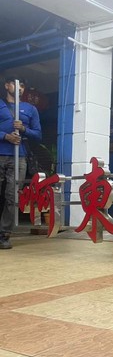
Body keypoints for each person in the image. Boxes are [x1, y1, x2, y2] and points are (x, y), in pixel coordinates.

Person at [0, 76, 42, 249]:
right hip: (0, 154)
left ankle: (4, 234)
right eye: (15, 84)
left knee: (12, 197)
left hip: (19, 157)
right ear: (7, 85)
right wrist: (5, 136)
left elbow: (38, 134)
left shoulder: (30, 109)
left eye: (22, 85)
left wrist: (24, 129)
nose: (19, 88)